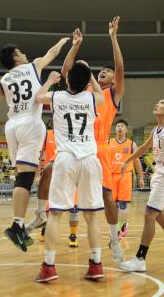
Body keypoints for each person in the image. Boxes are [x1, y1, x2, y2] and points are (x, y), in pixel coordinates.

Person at [48, 17, 127, 264]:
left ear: (113, 79)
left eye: (108, 71)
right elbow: (66, 72)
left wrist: (113, 39)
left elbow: (120, 68)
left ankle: (113, 239)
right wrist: (76, 46)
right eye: (101, 69)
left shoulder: (110, 95)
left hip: (97, 149)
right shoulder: (84, 92)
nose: (104, 71)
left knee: (105, 198)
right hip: (74, 148)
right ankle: (41, 214)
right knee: (51, 175)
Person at [0, 36, 69, 251]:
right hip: (31, 122)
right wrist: (63, 41)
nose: (25, 54)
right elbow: (52, 53)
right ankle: (17, 225)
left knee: (24, 175)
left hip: (12, 126)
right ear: (15, 57)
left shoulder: (3, 80)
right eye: (21, 52)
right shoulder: (33, 66)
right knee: (26, 177)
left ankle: (27, 219)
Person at [34, 63, 105, 282]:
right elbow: (101, 95)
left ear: (67, 81)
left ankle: (48, 267)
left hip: (65, 159)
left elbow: (37, 98)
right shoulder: (92, 98)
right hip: (90, 160)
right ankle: (96, 265)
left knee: (55, 214)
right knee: (92, 217)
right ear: (87, 84)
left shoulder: (57, 97)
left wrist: (49, 81)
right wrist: (91, 79)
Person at [117, 97, 164, 273]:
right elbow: (143, 148)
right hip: (159, 174)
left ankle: (140, 258)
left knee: (149, 214)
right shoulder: (156, 130)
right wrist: (127, 160)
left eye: (162, 104)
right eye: (158, 102)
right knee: (159, 215)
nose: (157, 104)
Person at [108, 119, 144, 237]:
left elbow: (137, 161)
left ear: (126, 129)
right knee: (112, 205)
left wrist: (141, 178)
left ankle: (121, 226)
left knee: (123, 204)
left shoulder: (131, 144)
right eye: (118, 126)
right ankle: (114, 227)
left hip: (125, 176)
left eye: (122, 126)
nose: (119, 128)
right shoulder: (109, 142)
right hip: (111, 176)